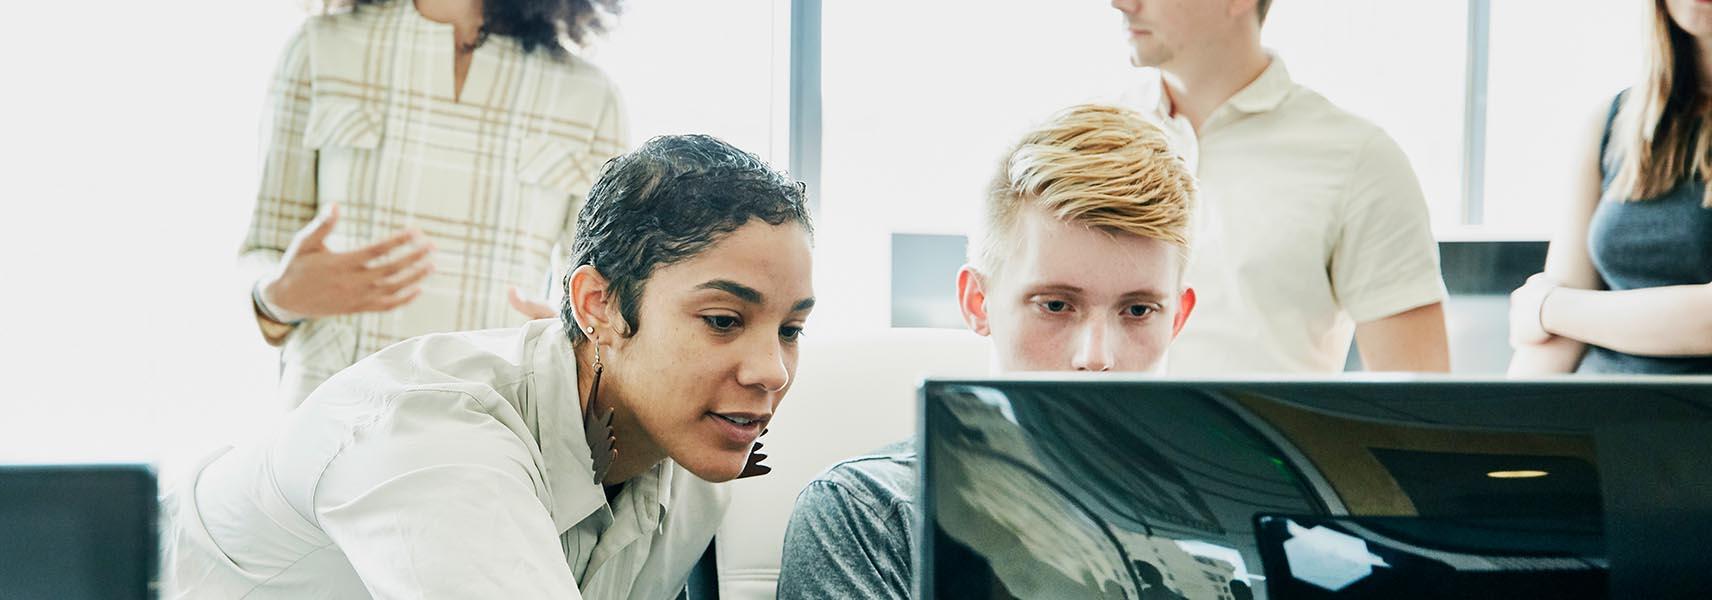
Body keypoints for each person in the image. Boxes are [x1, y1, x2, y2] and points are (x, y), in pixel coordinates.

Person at [167, 135, 813, 598]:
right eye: (724, 320)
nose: (771, 372)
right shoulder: (434, 437)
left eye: (790, 330)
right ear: (600, 306)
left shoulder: (693, 469)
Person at [776, 104, 1197, 599]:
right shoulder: (867, 517)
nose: (1096, 357)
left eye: (1139, 310)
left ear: (1177, 319)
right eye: (1056, 305)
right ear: (979, 303)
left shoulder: (1234, 525)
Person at [243, 0, 631, 408]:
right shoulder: (319, 48)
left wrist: (571, 346)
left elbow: (604, 311)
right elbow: (261, 253)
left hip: (488, 430)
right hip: (324, 422)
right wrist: (278, 297)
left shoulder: (590, 97)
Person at [1111, 0, 1451, 374]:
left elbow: (1416, 406)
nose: (1121, 3)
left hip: (1265, 435)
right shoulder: (1088, 144)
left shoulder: (1359, 160)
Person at [1507, 0, 1712, 375]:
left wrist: (1551, 308)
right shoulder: (1611, 121)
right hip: (1597, 421)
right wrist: (1500, 430)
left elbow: (1546, 308)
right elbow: (1551, 341)